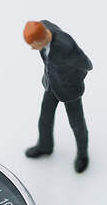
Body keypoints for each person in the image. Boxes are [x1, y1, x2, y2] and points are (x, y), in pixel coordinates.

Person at [23, 20, 93, 173]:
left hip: (70, 91)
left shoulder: (65, 47)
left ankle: (82, 155)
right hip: (51, 85)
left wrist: (72, 82)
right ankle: (45, 146)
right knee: (45, 118)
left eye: (34, 45)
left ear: (42, 39)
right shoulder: (43, 25)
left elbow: (86, 65)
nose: (32, 48)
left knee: (77, 124)